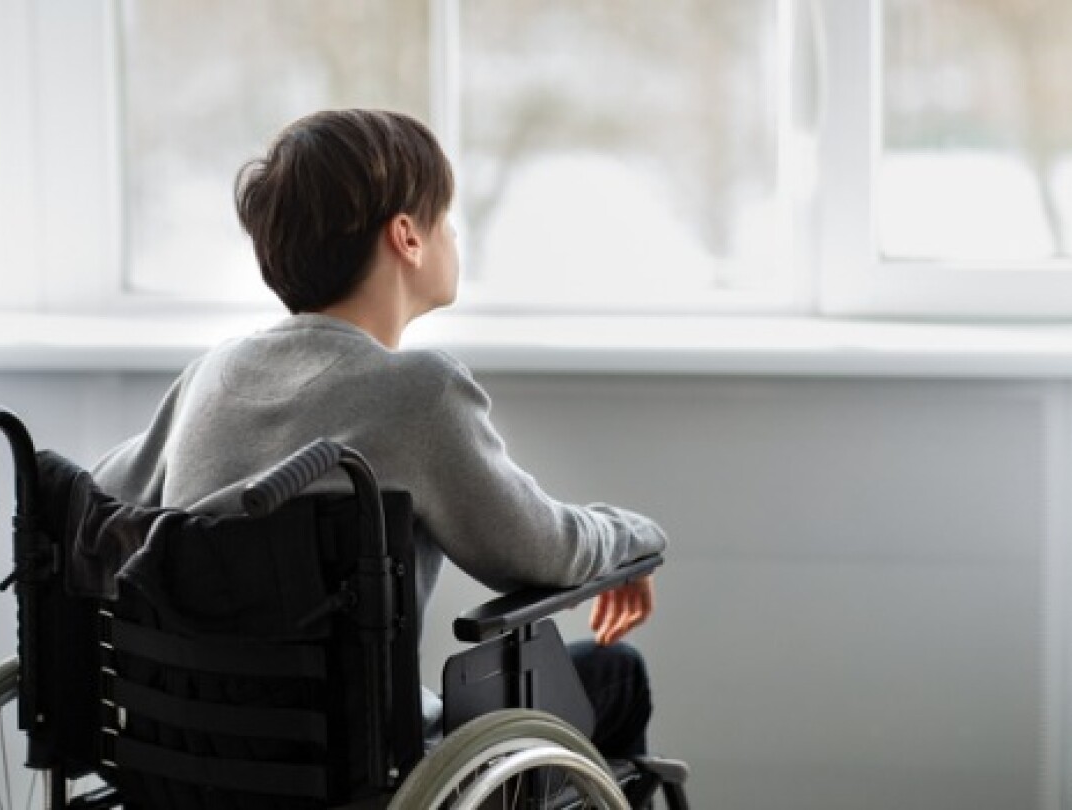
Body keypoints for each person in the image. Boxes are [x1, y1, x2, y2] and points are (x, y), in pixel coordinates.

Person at [91, 109, 667, 760]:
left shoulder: (212, 375)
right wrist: (633, 539)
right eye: (444, 218)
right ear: (407, 238)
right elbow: (544, 553)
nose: (452, 236)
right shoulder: (418, 392)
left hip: (198, 754)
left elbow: (102, 498)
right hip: (357, 762)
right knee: (616, 675)